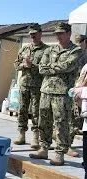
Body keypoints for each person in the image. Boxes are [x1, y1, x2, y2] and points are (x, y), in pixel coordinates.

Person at [29, 22, 82, 166]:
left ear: (69, 33)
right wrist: (55, 68)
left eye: (61, 33)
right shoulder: (50, 49)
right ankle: (44, 148)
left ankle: (59, 153)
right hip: (46, 90)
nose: (58, 36)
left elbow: (68, 66)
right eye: (56, 34)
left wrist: (50, 67)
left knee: (61, 123)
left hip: (62, 92)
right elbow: (41, 68)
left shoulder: (75, 51)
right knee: (43, 121)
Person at [13, 23, 49, 149]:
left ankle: (35, 136)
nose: (32, 36)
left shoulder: (46, 50)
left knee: (36, 112)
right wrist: (24, 65)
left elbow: (46, 68)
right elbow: (16, 65)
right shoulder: (24, 48)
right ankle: (21, 134)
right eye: (31, 34)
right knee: (22, 110)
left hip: (37, 86)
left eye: (35, 34)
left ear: (40, 34)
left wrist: (32, 65)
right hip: (24, 84)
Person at [67, 34, 87, 157]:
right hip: (75, 90)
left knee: (76, 121)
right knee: (73, 120)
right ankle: (67, 145)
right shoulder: (78, 53)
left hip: (80, 91)